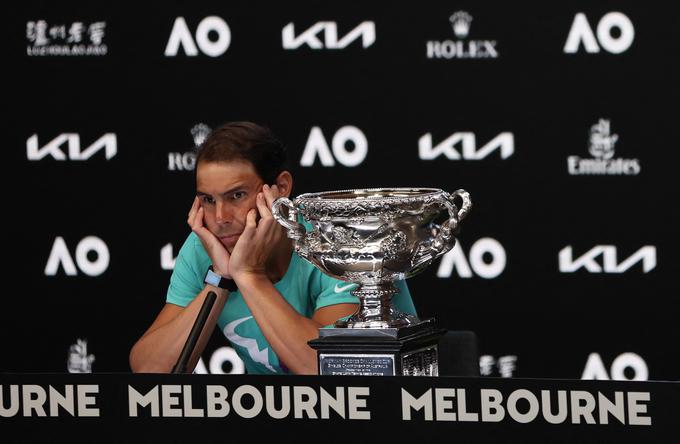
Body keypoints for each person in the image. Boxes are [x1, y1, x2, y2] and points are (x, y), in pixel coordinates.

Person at [129, 121, 417, 375]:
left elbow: (330, 369)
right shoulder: (204, 247)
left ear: (280, 188)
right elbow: (150, 369)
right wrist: (219, 279)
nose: (220, 218)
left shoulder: (337, 243)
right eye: (208, 200)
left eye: (237, 195)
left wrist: (248, 275)